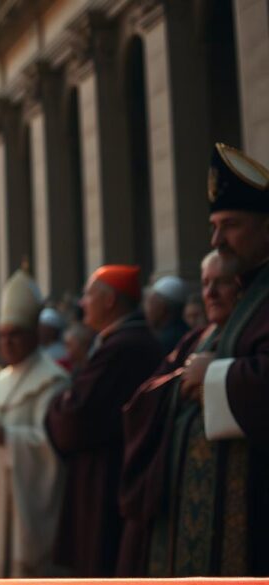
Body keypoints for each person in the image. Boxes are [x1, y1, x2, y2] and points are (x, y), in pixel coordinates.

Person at [175, 144, 269, 575]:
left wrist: (211, 375)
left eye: (229, 226)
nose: (216, 240)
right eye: (214, 226)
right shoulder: (251, 289)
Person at [118, 250, 241, 576]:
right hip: (177, 498)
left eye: (222, 283)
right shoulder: (195, 339)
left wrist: (211, 380)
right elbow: (147, 394)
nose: (211, 293)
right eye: (205, 283)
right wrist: (182, 383)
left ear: (242, 286)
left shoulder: (250, 331)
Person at [45, 265, 163, 576]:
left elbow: (74, 421)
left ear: (109, 300)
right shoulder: (120, 342)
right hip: (103, 473)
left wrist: (56, 406)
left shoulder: (125, 347)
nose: (82, 303)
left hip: (109, 478)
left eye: (87, 294)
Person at [0, 269, 69, 578]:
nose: (8, 342)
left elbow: (49, 444)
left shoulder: (52, 379)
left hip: (25, 492)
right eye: (3, 336)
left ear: (34, 335)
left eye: (16, 334)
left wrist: (9, 438)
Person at [144, 276, 190, 355]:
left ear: (162, 308)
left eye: (150, 304)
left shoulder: (160, 343)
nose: (147, 310)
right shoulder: (189, 335)